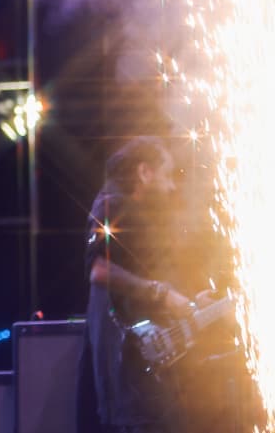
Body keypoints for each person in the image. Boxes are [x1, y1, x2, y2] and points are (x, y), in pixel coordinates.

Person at [78, 136, 243, 433]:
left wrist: (191, 299)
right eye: (166, 175)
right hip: (125, 369)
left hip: (139, 368)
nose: (171, 186)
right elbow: (100, 270)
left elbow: (138, 279)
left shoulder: (131, 210)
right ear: (144, 172)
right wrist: (162, 293)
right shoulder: (110, 203)